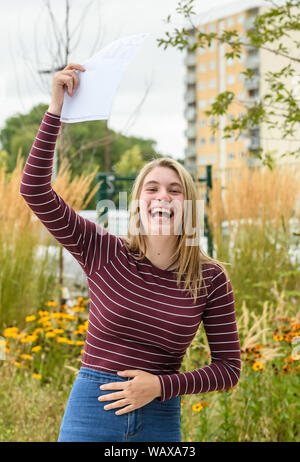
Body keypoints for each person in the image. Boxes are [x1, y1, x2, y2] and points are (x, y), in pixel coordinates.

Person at [20, 63, 241, 442]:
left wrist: (160, 386)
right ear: (137, 203)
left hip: (159, 417)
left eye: (175, 190)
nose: (163, 197)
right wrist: (56, 108)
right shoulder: (103, 249)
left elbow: (229, 368)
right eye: (151, 188)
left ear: (188, 205)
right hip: (92, 411)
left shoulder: (211, 279)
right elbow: (35, 191)